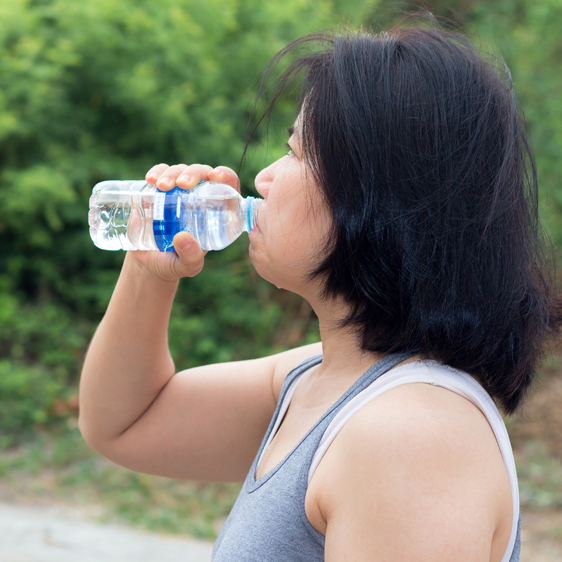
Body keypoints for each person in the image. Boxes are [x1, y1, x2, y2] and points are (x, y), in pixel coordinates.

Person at [78, 22, 562, 562]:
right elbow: (125, 423)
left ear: (377, 193)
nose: (262, 179)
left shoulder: (412, 434)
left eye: (294, 151)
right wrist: (148, 270)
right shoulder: (323, 379)